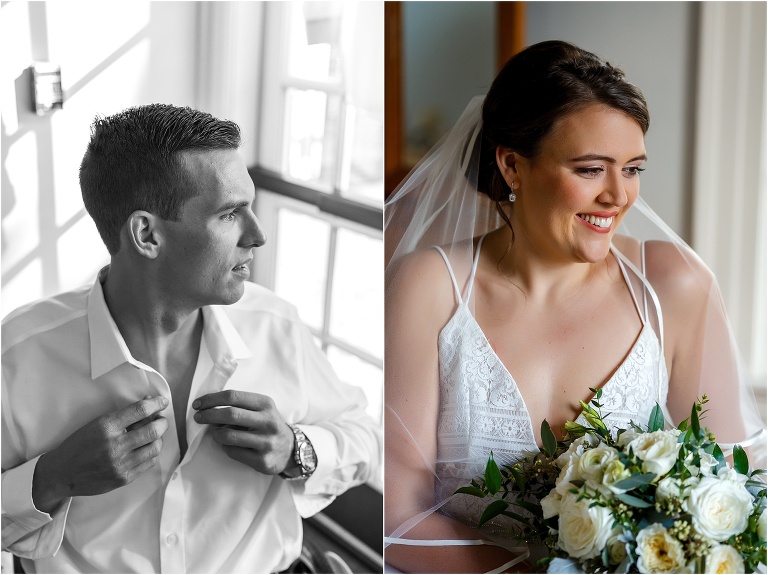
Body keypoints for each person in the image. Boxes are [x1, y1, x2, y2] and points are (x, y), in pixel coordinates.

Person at [383, 41, 765, 573]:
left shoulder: (674, 287)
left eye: (632, 169)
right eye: (590, 170)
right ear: (512, 165)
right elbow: (394, 518)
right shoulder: (429, 287)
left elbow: (733, 491)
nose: (618, 196)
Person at [1, 104, 382, 573]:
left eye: (252, 207)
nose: (257, 235)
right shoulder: (18, 356)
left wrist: (295, 448)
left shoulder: (274, 325)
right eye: (230, 214)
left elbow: (366, 436)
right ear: (146, 234)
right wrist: (52, 478)